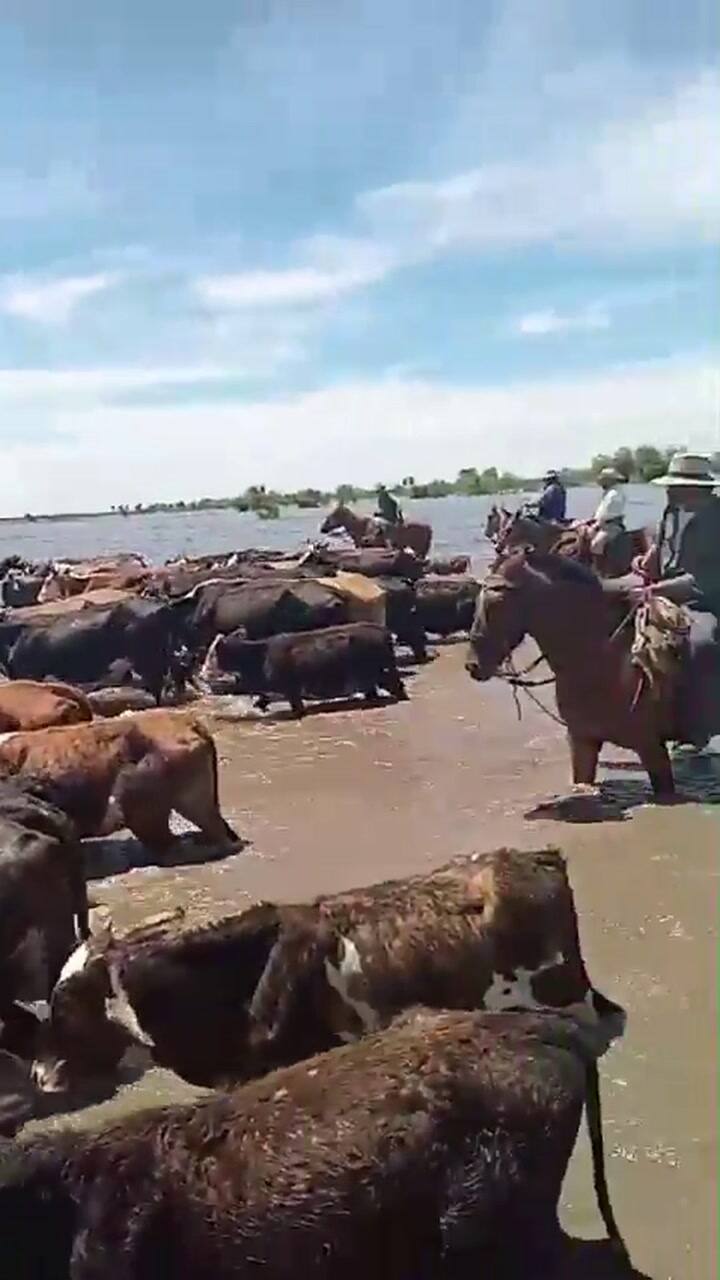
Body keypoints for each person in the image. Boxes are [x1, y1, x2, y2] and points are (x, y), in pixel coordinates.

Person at [633, 453, 720, 747]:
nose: (668, 490)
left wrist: (657, 590)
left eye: (675, 485)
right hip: (668, 591)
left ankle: (703, 727)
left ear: (695, 489)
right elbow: (661, 546)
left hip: (705, 599)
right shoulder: (672, 510)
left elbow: (704, 580)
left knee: (701, 645)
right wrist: (647, 561)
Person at [590, 466, 627, 556]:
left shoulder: (615, 494)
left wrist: (596, 525)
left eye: (604, 481)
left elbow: (607, 514)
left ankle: (597, 569)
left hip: (611, 526)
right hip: (605, 524)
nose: (602, 483)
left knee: (596, 544)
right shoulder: (610, 492)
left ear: (609, 481)